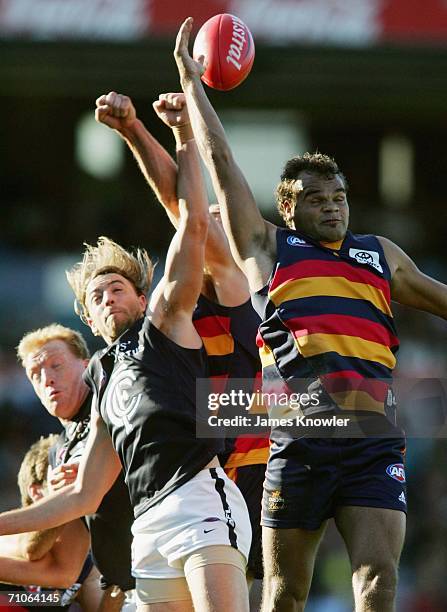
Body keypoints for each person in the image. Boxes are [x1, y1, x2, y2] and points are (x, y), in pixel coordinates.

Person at [172, 17, 447, 612]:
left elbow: (440, 296)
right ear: (289, 210)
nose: (333, 208)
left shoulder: (380, 254)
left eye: (340, 197)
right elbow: (223, 172)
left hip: (373, 435)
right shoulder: (267, 249)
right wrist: (195, 89)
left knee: (377, 578)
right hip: (299, 434)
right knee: (284, 592)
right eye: (317, 200)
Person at [0, 108, 251, 612]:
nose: (108, 298)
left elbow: (195, 224)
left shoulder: (164, 322)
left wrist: (179, 133)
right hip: (148, 528)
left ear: (141, 298)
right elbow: (81, 499)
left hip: (201, 500)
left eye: (118, 288)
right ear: (89, 322)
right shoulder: (100, 378)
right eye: (97, 296)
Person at [94, 90, 268, 608]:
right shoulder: (168, 320)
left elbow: (186, 211)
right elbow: (184, 210)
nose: (213, 220)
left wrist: (144, 132)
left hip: (248, 463)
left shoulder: (236, 283)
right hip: (200, 464)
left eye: (223, 219)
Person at [16, 323, 135, 611]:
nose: (47, 379)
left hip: (180, 543)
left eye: (56, 366)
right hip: (127, 584)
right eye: (35, 374)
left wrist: (98, 469)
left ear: (86, 365)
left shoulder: (113, 399)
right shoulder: (58, 452)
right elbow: (68, 566)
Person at [0, 434, 101, 611]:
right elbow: (30, 549)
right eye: (63, 477)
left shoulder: (88, 559)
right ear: (36, 492)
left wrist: (119, 582)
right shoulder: (8, 537)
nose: (75, 487)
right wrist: (65, 501)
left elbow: (103, 606)